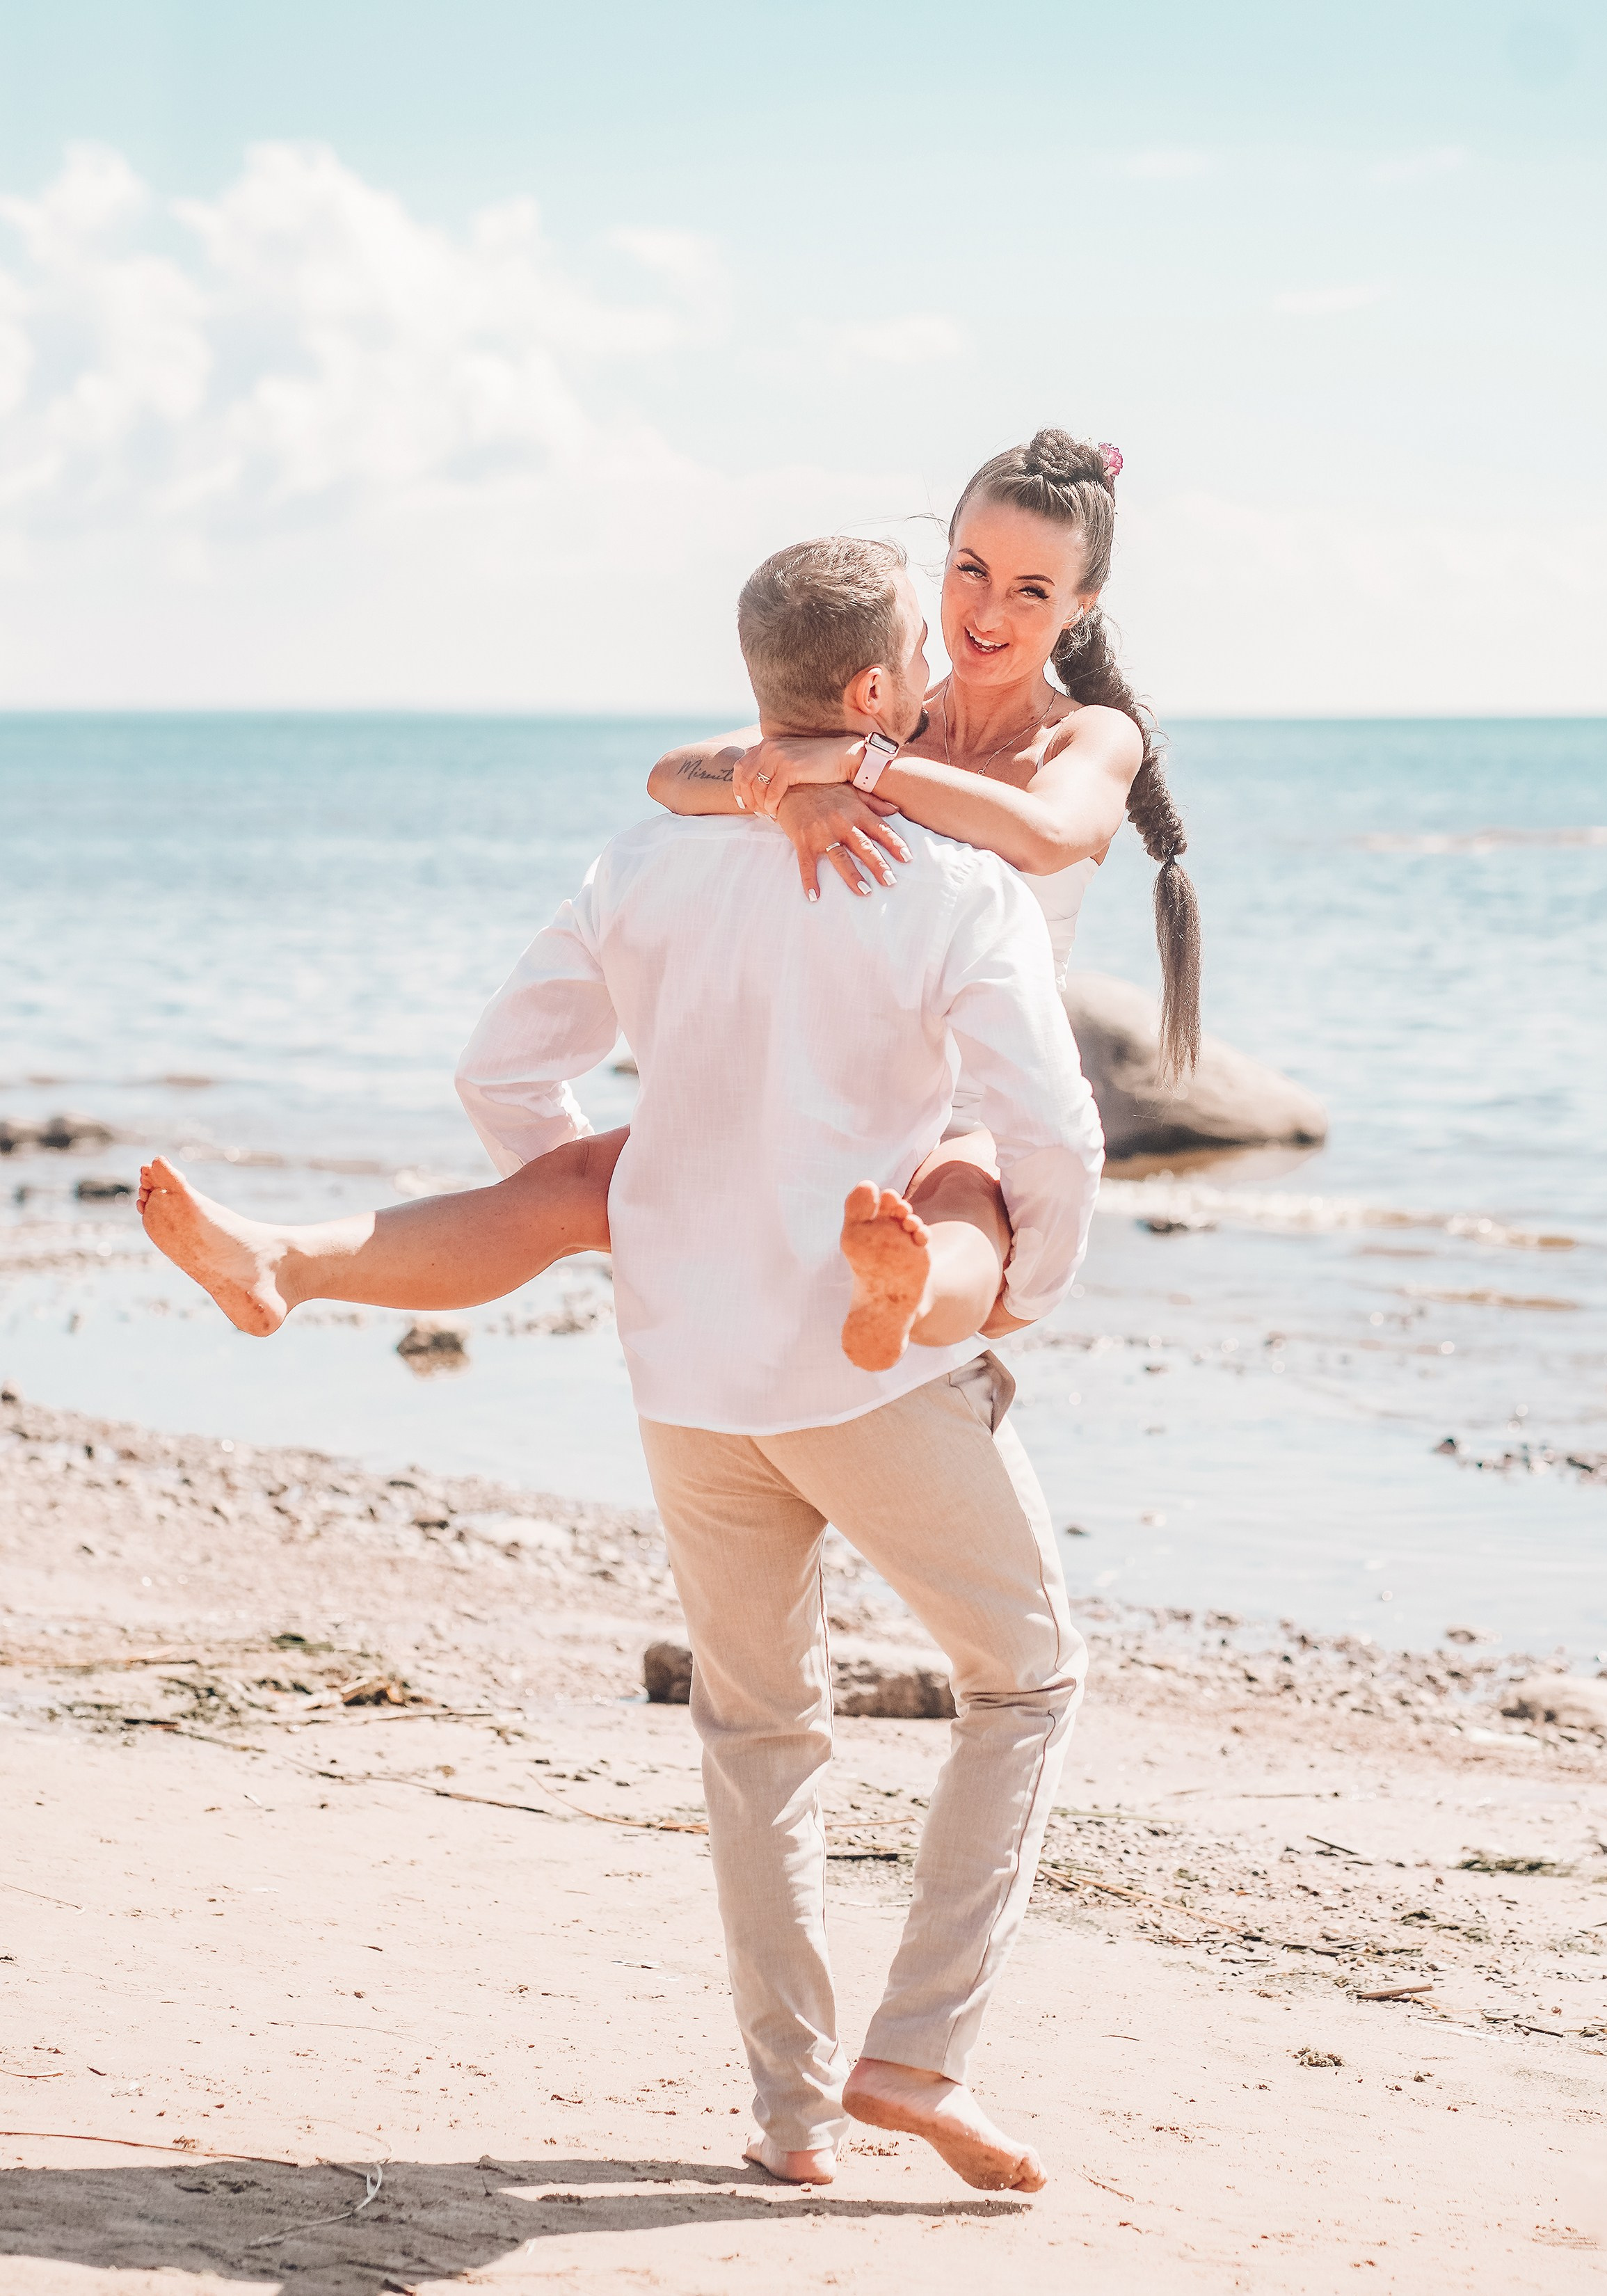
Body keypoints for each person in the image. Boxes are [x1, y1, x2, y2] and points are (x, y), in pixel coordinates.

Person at [456, 534, 1103, 2188]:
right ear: (880, 694)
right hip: (859, 1371)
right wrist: (1021, 1294)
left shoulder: (648, 859)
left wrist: (622, 1207)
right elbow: (1055, 1134)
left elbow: (500, 1074)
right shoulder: (960, 885)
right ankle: (916, 2053)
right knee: (1026, 1676)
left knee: (756, 1732)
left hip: (685, 1372)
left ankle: (792, 2117)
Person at [136, 427, 1194, 1363]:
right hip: (827, 1074)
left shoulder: (1080, 736)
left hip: (965, 1094)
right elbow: (673, 774)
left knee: (963, 1189)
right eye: (970, 570)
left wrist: (850, 769)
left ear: (1080, 605)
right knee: (581, 1183)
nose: (987, 611)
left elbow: (1053, 832)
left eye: (1031, 591)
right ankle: (285, 1260)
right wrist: (783, 799)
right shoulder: (883, 709)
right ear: (944, 556)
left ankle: (907, 1295)